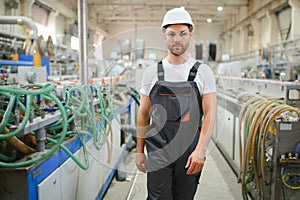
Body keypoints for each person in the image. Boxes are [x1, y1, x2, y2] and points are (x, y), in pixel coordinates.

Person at [136, 7, 217, 200]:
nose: (177, 39)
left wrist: (201, 150)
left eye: (182, 33)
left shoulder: (202, 72)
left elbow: (210, 113)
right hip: (158, 149)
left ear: (190, 35)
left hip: (189, 151)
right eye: (171, 34)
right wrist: (139, 151)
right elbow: (143, 115)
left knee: (184, 197)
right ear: (165, 36)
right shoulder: (151, 72)